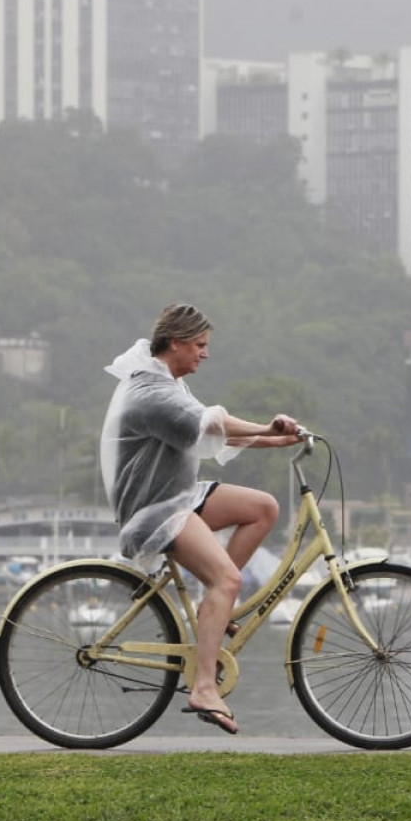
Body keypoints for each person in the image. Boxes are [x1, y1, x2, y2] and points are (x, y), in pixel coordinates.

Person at [100, 303, 304, 735]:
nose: (205, 354)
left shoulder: (169, 384)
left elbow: (217, 433)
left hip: (180, 498)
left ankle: (212, 604)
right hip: (156, 511)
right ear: (175, 342)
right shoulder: (150, 392)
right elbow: (211, 422)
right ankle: (205, 687)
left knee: (263, 508)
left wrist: (280, 440)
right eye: (200, 345)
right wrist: (269, 429)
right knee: (227, 580)